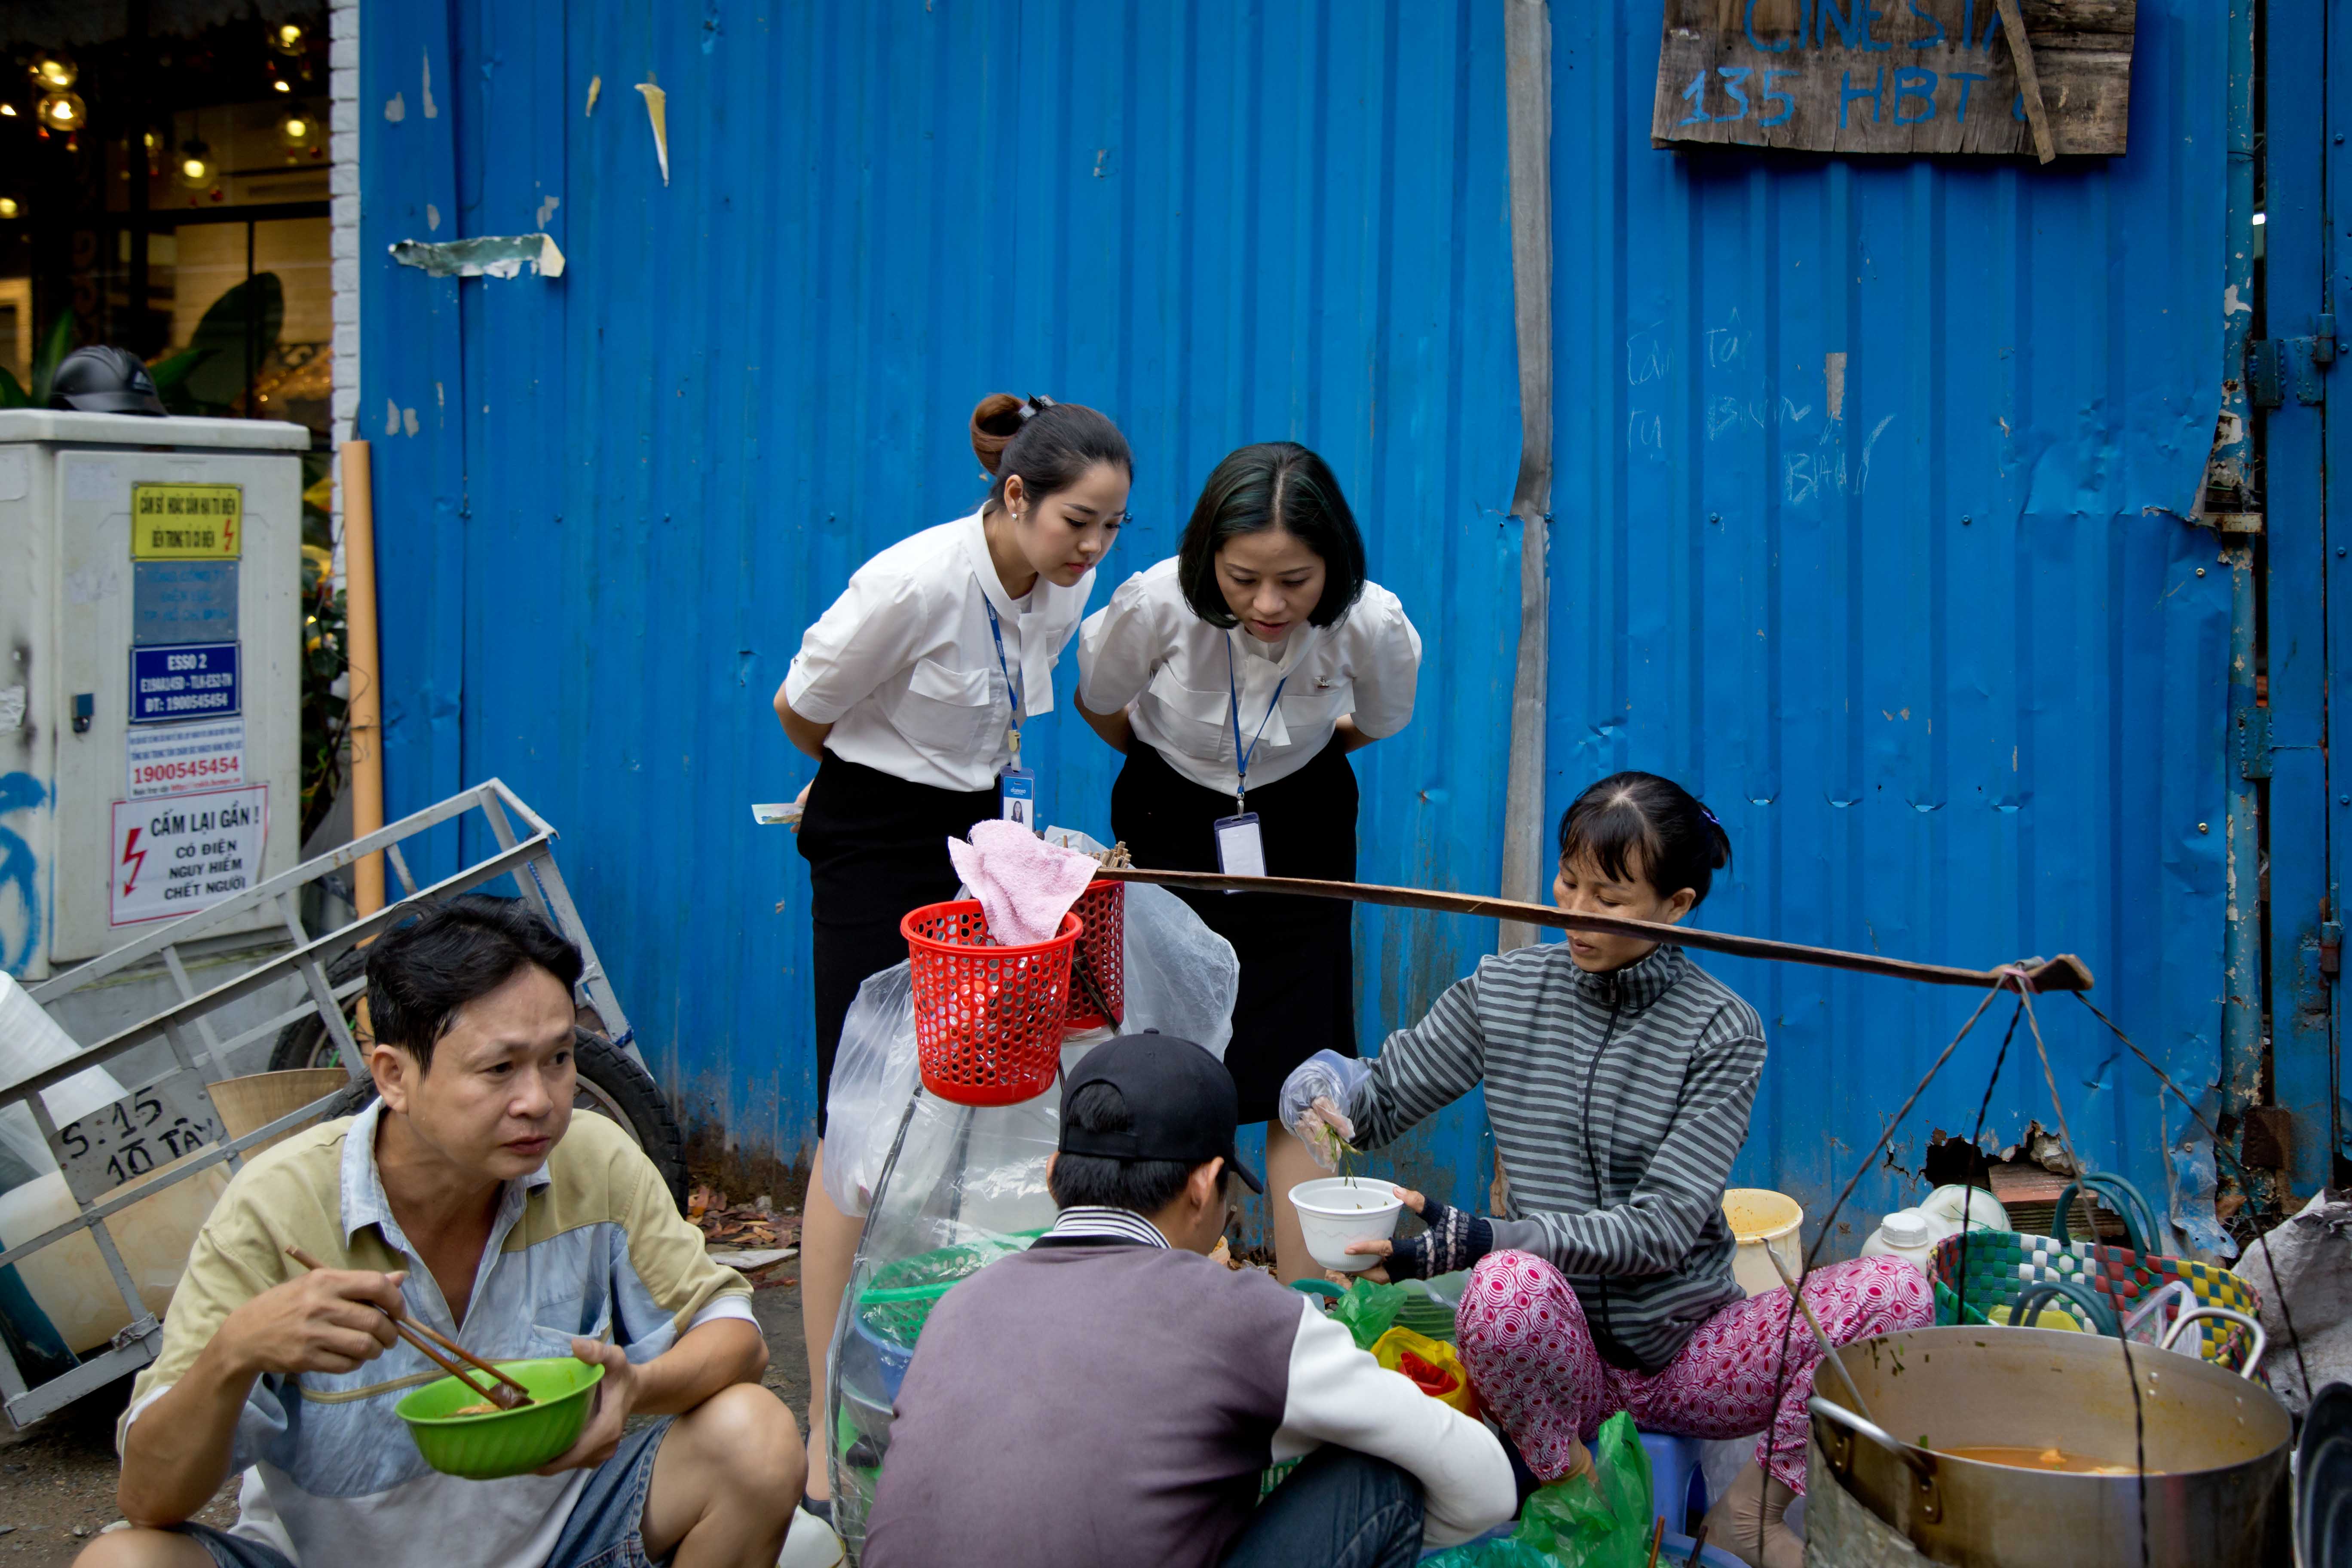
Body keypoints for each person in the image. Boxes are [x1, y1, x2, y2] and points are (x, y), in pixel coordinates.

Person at [1280, 773, 1932, 1568]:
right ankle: (1577, 1487)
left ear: (1677, 904)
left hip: (1693, 1353)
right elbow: (1377, 1103)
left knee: (1896, 1292)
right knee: (1504, 1291)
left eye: (1611, 899)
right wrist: (1323, 1088)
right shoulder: (1506, 992)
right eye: (1568, 882)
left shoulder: (1722, 1031)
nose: (1576, 913)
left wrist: (1484, 1236)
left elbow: (1660, 1230)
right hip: (1558, 1365)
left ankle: (1751, 1512)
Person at [81, 896, 801, 1568]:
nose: (540, 1101)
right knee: (123, 1560)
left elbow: (737, 1338)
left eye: (558, 1059)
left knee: (755, 1440)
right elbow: (147, 1500)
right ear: (393, 1075)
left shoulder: (594, 1160)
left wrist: (636, 1386)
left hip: (567, 1546)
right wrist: (235, 1355)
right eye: (499, 1068)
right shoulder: (280, 1205)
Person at [774, 392, 1132, 1517]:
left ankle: (940, 1377)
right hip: (876, 833)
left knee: (959, 1097)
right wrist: (872, 788)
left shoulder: (1061, 588)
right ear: (1015, 496)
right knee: (862, 1101)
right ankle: (826, 1409)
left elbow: (1005, 724)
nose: (1093, 548)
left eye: (1113, 527)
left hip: (978, 827)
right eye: (1078, 520)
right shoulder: (915, 582)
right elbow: (803, 707)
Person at [862, 1034, 1514, 1568]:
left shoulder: (960, 1310)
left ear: (1055, 1173)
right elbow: (1484, 1482)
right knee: (1382, 1477)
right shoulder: (1243, 1317)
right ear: (1205, 1186)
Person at [1075, 442, 1420, 1282]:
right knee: (1166, 1035)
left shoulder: (1373, 623)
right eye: (1242, 579)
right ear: (1207, 559)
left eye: (1296, 582)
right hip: (1170, 813)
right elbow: (1101, 702)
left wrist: (1289, 761)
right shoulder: (1152, 604)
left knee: (1305, 1062)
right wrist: (1171, 767)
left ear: (1332, 565)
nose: (1269, 603)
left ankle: (1316, 1303)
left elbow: (1378, 720)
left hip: (1299, 820)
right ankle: (1157, 1280)